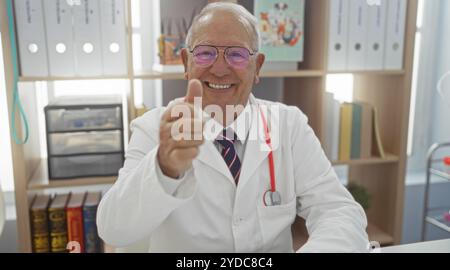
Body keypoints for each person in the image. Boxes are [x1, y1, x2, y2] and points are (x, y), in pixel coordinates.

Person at [97, 2, 369, 253]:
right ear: (185, 62)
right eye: (205, 53)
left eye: (236, 55)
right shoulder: (153, 128)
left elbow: (338, 211)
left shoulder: (288, 124)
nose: (219, 69)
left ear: (257, 66)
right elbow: (114, 229)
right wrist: (164, 169)